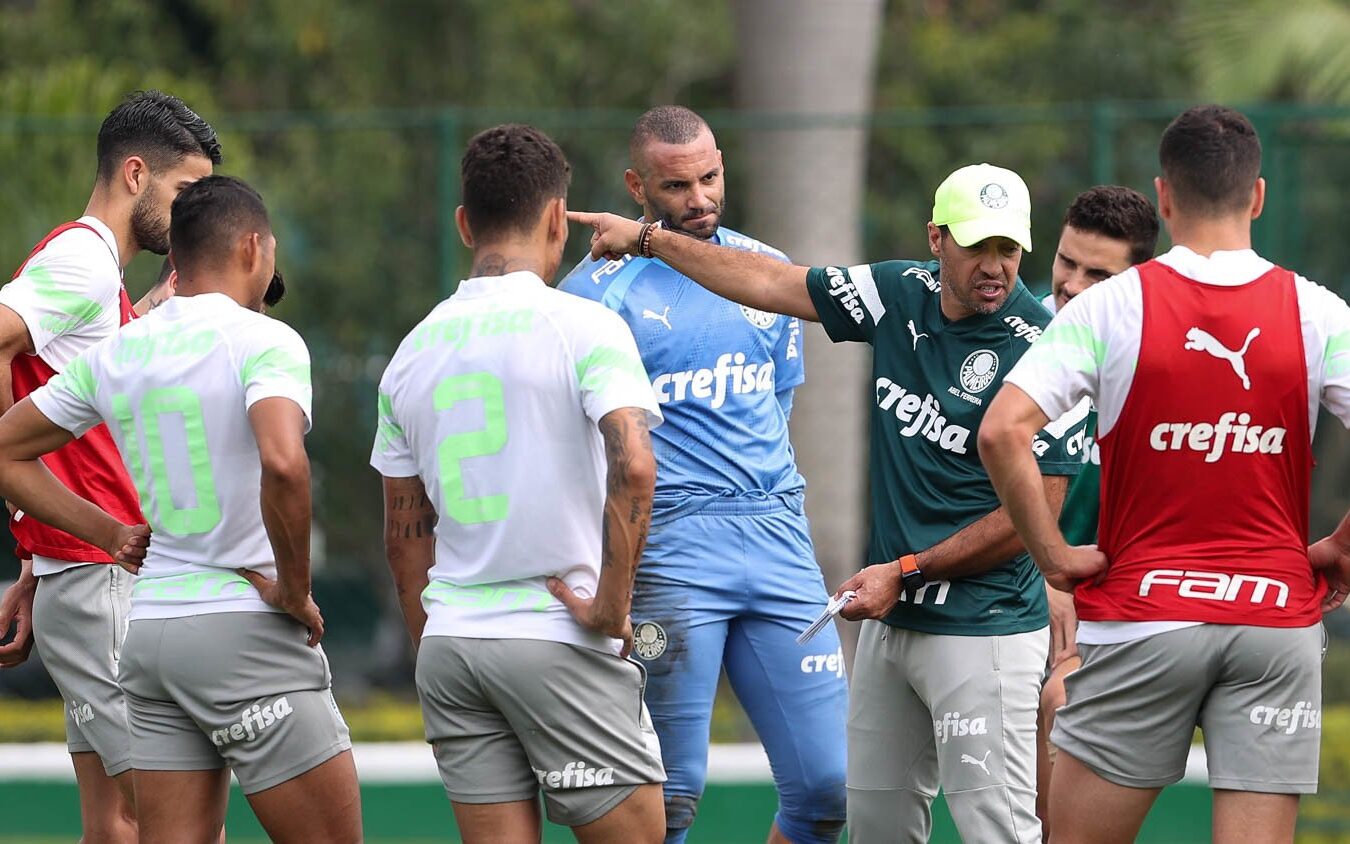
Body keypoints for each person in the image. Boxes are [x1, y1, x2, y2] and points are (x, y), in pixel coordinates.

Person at [572, 162, 1089, 843]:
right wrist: (647, 240)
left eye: (1009, 249)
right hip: (892, 625)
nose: (995, 267)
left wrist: (907, 571)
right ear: (937, 240)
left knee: (998, 832)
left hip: (983, 630)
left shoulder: (1049, 351)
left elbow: (1032, 523)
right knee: (867, 824)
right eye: (977, 246)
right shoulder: (901, 291)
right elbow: (773, 283)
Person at [979, 104, 1350, 844]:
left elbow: (1001, 431)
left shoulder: (1111, 306)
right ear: (1258, 197)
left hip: (1144, 619)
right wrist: (1343, 543)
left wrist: (1053, 557)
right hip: (1275, 619)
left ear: (1166, 197)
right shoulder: (1319, 312)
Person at [0, 174, 361, 843]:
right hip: (245, 631)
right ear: (253, 247)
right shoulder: (264, 340)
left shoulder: (120, 349)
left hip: (153, 637)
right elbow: (284, 464)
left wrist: (108, 533)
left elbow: (6, 449)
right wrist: (294, 590)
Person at [558, 105, 847, 844]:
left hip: (779, 534)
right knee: (670, 796)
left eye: (710, 177)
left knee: (830, 789)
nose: (700, 200)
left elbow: (777, 404)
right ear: (636, 186)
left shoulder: (764, 272)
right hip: (672, 548)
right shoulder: (593, 295)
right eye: (677, 185)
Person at [372, 124, 667, 844]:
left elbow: (404, 538)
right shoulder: (585, 327)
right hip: (556, 634)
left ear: (464, 224)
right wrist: (610, 607)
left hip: (453, 646)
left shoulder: (410, 353)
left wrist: (436, 639)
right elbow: (634, 464)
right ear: (559, 219)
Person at [0, 89, 219, 843]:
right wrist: (36, 511)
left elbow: (52, 402)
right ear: (135, 173)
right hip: (100, 582)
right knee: (180, 821)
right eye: (186, 192)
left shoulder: (97, 276)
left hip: (78, 580)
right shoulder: (83, 263)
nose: (198, 213)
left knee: (115, 826)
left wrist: (32, 554)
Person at [1031, 185, 1159, 836]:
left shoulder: (1159, 365)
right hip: (1014, 594)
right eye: (1065, 263)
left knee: (1060, 699)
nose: (1072, 287)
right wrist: (1041, 572)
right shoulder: (1014, 336)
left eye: (1098, 274)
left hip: (1119, 611)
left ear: (1137, 284)